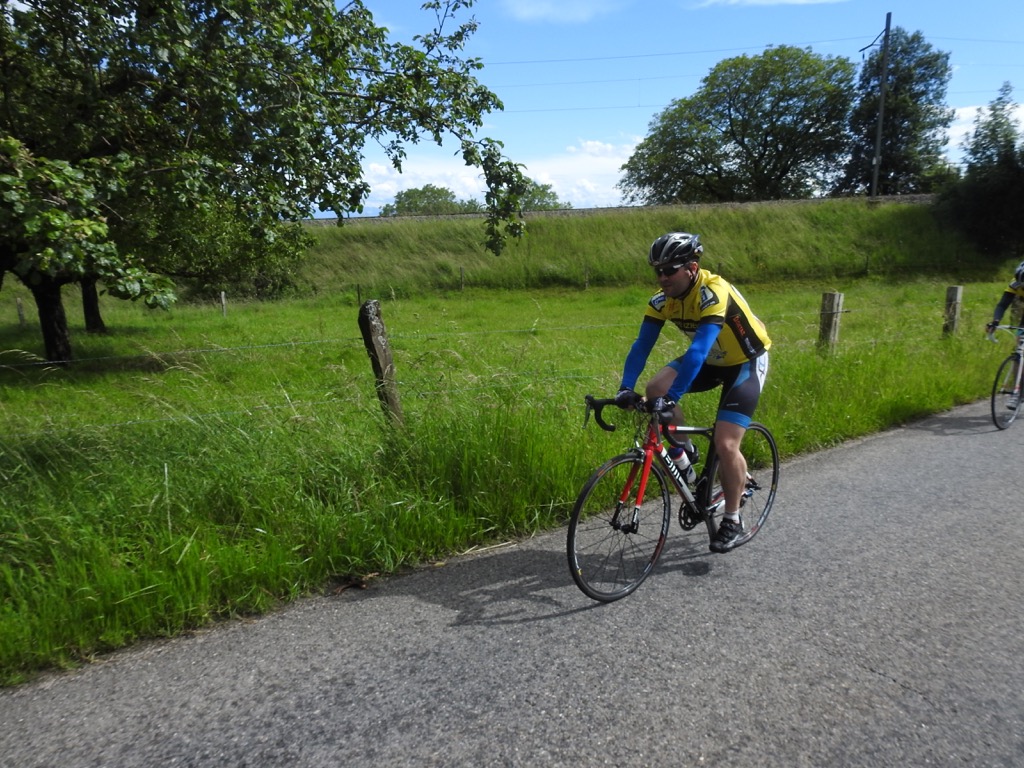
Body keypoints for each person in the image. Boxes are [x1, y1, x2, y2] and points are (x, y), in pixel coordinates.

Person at [616, 232, 771, 554]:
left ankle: (732, 518)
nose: (662, 277)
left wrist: (673, 398)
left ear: (692, 268)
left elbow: (699, 349)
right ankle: (686, 454)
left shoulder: (713, 292)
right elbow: (642, 345)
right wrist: (625, 388)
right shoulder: (662, 300)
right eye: (657, 271)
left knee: (726, 443)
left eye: (669, 270)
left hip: (745, 361)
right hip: (712, 361)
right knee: (654, 388)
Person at [985, 260, 1024, 409]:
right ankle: (1018, 392)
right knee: (1020, 348)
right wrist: (995, 321)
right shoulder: (1015, 284)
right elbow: (1002, 305)